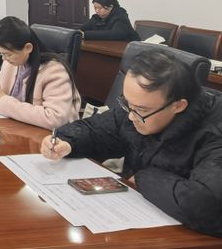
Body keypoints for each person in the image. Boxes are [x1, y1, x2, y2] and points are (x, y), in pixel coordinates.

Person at [41, 49, 222, 237]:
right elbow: (98, 130)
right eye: (127, 104)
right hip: (137, 216)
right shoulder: (137, 108)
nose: (130, 116)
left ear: (178, 106)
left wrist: (144, 179)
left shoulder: (215, 131)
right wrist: (67, 142)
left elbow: (207, 204)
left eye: (140, 110)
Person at [0, 16, 80, 129]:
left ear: (28, 48)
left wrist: (3, 102)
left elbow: (55, 119)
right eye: (0, 53)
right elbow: (1, 79)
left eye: (7, 54)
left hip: (48, 135)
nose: (4, 59)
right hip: (18, 127)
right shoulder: (13, 61)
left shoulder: (54, 71)